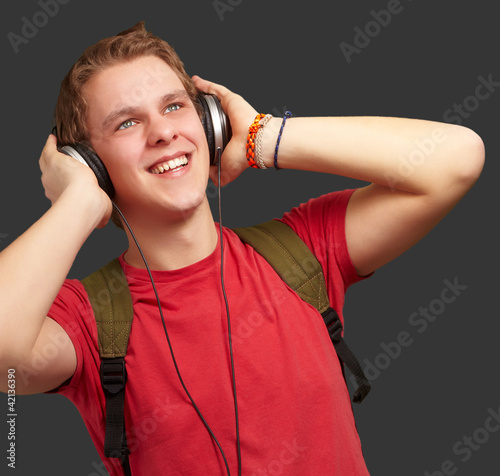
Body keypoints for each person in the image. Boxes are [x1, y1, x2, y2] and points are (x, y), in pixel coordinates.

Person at [0, 21, 484, 475]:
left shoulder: (302, 250)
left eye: (174, 106)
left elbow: (456, 157)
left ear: (208, 121)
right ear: (90, 163)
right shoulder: (88, 321)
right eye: (126, 123)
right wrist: (80, 202)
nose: (164, 132)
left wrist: (262, 136)